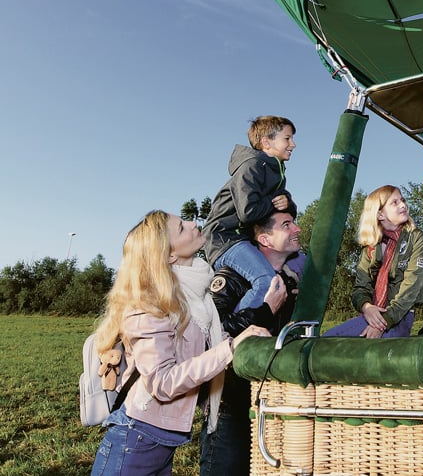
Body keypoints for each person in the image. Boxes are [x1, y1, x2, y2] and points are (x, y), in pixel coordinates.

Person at [90, 210, 268, 476]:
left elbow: (199, 351)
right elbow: (162, 383)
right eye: (182, 228)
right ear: (170, 255)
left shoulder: (195, 298)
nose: (193, 223)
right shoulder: (150, 305)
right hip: (135, 442)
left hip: (157, 443)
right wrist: (229, 349)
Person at [199, 211, 305, 476]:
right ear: (265, 239)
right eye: (287, 225)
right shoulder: (230, 278)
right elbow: (209, 336)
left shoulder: (290, 285)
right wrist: (266, 310)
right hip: (229, 404)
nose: (297, 229)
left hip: (269, 402)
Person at [203, 115, 297, 311]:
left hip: (244, 239)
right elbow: (248, 212)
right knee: (267, 283)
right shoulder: (252, 166)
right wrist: (275, 204)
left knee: (292, 274)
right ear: (266, 142)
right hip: (225, 238)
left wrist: (287, 202)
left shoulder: (275, 172)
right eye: (287, 139)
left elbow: (285, 211)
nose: (293, 144)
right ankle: (235, 335)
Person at [325, 185, 423, 338]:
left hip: (399, 316)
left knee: (377, 356)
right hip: (372, 314)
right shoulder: (371, 247)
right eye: (394, 202)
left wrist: (384, 322)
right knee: (327, 341)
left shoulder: (417, 239)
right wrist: (367, 307)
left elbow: (412, 286)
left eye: (402, 200)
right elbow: (360, 288)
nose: (403, 205)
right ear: (380, 214)